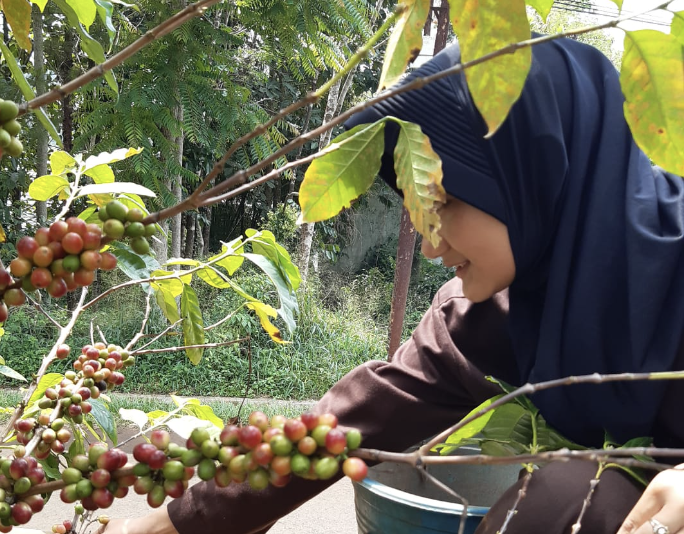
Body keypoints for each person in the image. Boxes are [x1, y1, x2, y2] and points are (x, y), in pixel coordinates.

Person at [101, 35, 684, 534]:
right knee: (563, 499)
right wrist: (184, 518)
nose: (432, 244)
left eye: (448, 202)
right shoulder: (497, 309)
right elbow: (352, 423)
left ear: (537, 174)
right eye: (418, 212)